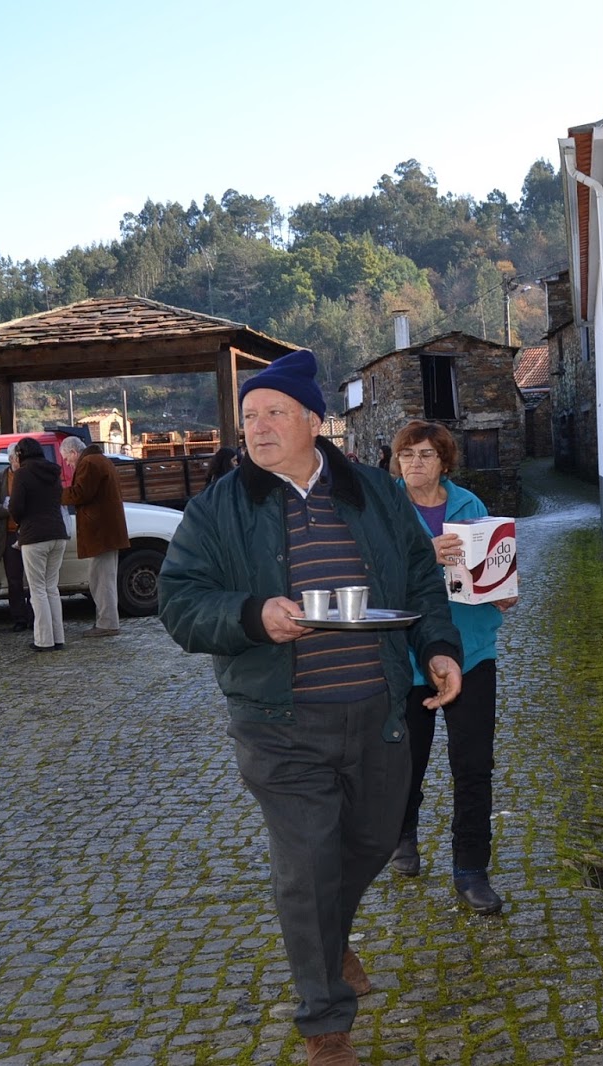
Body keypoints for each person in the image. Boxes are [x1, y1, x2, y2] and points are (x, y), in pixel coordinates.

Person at [158, 348, 463, 1066]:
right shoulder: (219, 507)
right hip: (279, 721)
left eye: (274, 413)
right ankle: (327, 1025)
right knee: (306, 864)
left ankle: (329, 936)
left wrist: (439, 647)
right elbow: (178, 602)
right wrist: (251, 615)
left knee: (373, 841)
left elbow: (421, 581)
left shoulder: (374, 493)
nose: (258, 427)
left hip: (379, 711)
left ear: (314, 422)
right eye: (248, 416)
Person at [387, 420, 518, 915]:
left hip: (472, 647)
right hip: (409, 653)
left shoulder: (470, 506)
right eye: (406, 455)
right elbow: (371, 573)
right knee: (407, 760)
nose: (414, 463)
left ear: (444, 461)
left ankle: (471, 869)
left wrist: (502, 589)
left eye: (425, 454)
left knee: (473, 764)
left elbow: (490, 565)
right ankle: (403, 833)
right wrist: (426, 553)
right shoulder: (386, 508)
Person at [61, 437, 129, 637]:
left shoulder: (89, 463)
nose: (68, 463)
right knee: (103, 577)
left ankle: (107, 623)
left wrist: (57, 495)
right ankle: (107, 621)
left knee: (101, 579)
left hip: (101, 532)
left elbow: (80, 493)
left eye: (67, 459)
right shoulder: (100, 460)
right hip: (107, 531)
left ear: (74, 452)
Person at [8, 437, 69, 652]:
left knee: (37, 589)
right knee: (51, 588)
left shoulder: (22, 474)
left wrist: (20, 521)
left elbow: (15, 507)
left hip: (34, 536)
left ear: (21, 454)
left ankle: (44, 640)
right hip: (58, 533)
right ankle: (58, 637)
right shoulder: (53, 471)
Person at [0, 447, 32, 632]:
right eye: (18, 458)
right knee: (14, 579)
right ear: (11, 459)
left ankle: (35, 616)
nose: (21, 462)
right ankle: (19, 617)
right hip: (9, 534)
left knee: (34, 578)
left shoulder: (30, 477)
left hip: (30, 533)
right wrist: (5, 510)